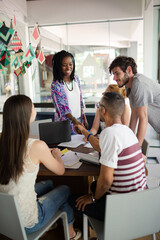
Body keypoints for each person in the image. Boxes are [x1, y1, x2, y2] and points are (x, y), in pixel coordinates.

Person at [0, 95, 81, 240]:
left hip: (5, 218)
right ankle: (71, 234)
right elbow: (60, 170)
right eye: (32, 106)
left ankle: (53, 222)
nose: (34, 108)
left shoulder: (3, 140)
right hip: (29, 222)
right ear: (27, 114)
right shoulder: (37, 146)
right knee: (65, 189)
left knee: (48, 184)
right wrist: (56, 154)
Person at [70, 92, 147, 222]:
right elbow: (100, 146)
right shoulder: (127, 131)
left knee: (72, 200)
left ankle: (105, 228)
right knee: (94, 186)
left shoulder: (108, 133)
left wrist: (93, 198)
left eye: (99, 106)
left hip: (121, 207)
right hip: (141, 201)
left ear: (103, 111)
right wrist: (84, 131)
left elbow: (106, 181)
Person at [109, 56, 160, 147]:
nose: (114, 78)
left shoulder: (139, 84)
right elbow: (134, 114)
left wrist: (136, 149)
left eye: (117, 73)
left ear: (129, 70)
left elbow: (143, 118)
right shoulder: (129, 87)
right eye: (114, 75)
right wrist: (129, 140)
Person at [51, 50, 88, 135]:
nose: (68, 68)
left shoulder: (76, 79)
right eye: (64, 65)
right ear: (58, 66)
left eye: (70, 64)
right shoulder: (56, 85)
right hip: (66, 123)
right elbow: (63, 110)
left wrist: (84, 117)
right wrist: (75, 122)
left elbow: (80, 100)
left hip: (79, 120)